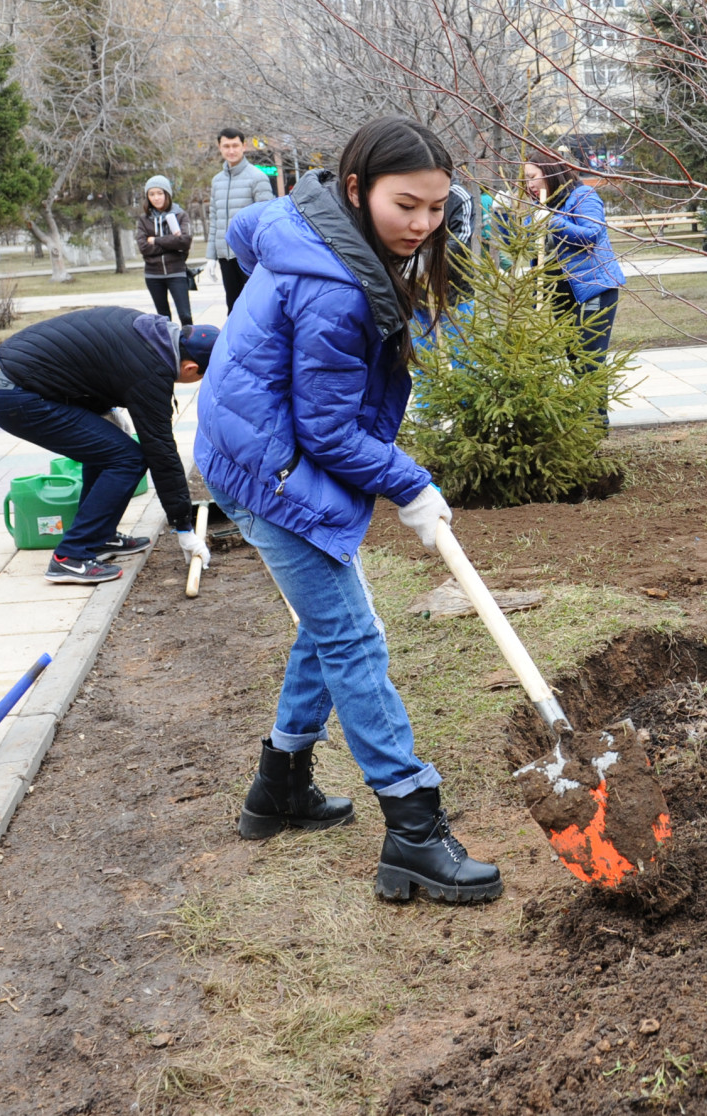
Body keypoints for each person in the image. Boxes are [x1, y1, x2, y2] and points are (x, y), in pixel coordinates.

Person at [195, 114, 502, 906]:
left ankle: (281, 786)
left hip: (261, 445)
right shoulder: (332, 282)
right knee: (352, 634)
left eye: (437, 209)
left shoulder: (322, 234)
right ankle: (412, 829)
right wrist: (411, 485)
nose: (423, 225)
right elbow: (327, 428)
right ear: (359, 189)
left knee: (330, 621)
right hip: (272, 467)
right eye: (408, 206)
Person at [0, 309, 215, 584]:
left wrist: (104, 411)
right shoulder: (152, 370)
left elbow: (93, 362)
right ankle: (70, 557)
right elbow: (161, 451)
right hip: (15, 394)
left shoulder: (154, 333)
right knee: (128, 459)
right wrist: (184, 527)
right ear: (189, 368)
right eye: (201, 377)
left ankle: (99, 537)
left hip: (10, 378)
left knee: (109, 450)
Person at [523, 152, 624, 375]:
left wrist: (552, 220)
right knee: (574, 358)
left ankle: (596, 412)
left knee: (590, 360)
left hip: (593, 290)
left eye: (532, 177)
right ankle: (582, 410)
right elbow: (537, 257)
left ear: (549, 172)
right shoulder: (540, 208)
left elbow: (592, 235)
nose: (528, 185)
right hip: (562, 294)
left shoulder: (583, 196)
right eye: (525, 180)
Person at [209, 129, 274, 312]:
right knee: (233, 308)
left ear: (244, 146)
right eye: (226, 146)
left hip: (250, 256)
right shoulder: (217, 181)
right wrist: (211, 256)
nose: (231, 150)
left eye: (235, 145)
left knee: (255, 308)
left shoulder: (257, 177)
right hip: (226, 256)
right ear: (220, 147)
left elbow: (268, 220)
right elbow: (214, 218)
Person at [138, 176, 195, 324]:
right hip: (153, 275)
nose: (156, 198)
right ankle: (168, 346)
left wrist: (156, 240)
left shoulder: (180, 215)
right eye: (151, 194)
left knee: (185, 316)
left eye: (159, 193)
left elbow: (184, 241)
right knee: (163, 318)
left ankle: (188, 345)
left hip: (176, 271)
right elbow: (143, 247)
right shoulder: (144, 219)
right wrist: (172, 242)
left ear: (167, 194)